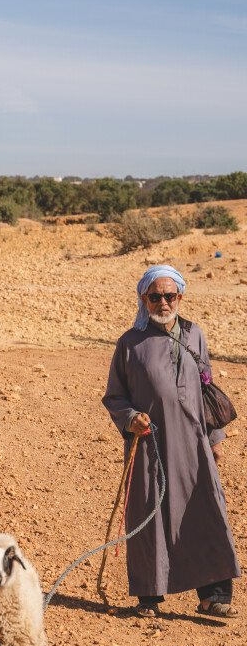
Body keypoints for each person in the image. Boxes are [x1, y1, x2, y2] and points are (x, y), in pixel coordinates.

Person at [103, 264, 240, 619]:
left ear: (180, 296)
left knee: (206, 509)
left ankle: (213, 595)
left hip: (194, 443)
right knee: (150, 514)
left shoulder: (195, 335)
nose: (163, 302)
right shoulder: (130, 343)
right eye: (155, 296)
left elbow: (206, 388)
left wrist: (215, 437)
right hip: (149, 444)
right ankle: (149, 597)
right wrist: (131, 419)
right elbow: (114, 396)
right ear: (144, 299)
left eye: (170, 295)